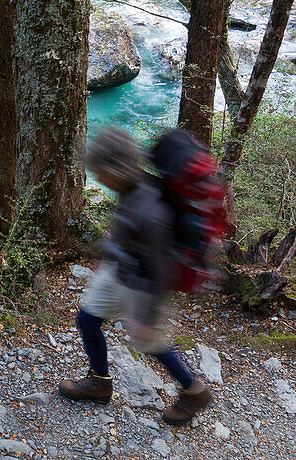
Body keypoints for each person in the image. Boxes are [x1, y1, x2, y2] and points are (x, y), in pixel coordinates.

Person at [58, 126, 213, 426]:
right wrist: (107, 254)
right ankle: (100, 383)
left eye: (100, 172)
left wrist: (146, 317)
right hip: (122, 271)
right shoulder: (132, 187)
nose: (98, 178)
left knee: (150, 343)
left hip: (142, 285)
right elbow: (124, 230)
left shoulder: (151, 211)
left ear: (117, 168)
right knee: (87, 320)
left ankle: (194, 391)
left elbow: (159, 271)